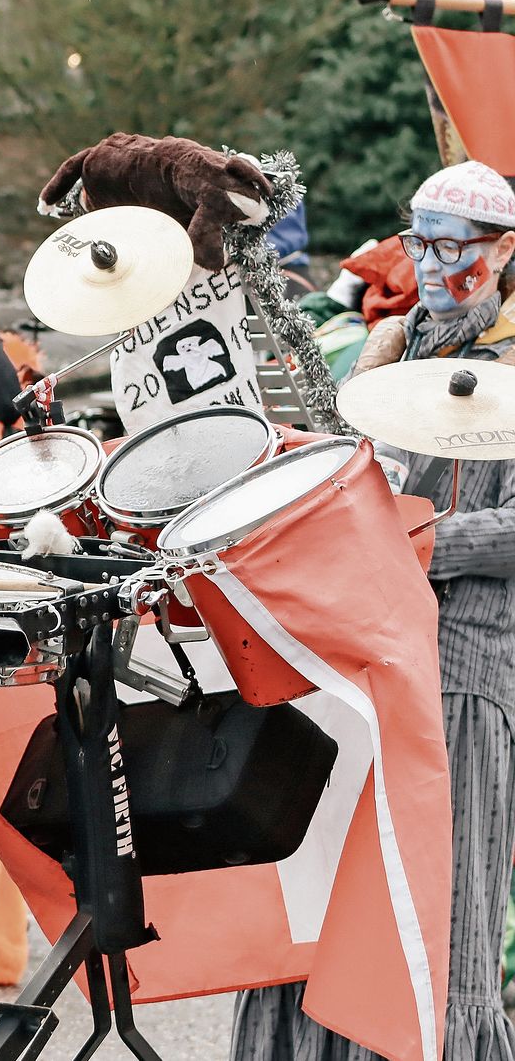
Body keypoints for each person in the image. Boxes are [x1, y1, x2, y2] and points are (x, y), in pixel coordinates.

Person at [233, 159, 515, 1060]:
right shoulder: (390, 351)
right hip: (361, 660)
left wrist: (422, 546)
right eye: (418, 242)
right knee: (338, 890)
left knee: (448, 900)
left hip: (467, 667)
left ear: (504, 252)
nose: (430, 265)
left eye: (452, 249)